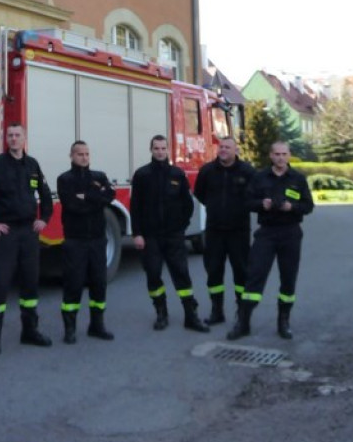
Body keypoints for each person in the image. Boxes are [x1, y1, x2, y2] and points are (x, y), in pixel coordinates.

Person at [0, 124, 54, 355]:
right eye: (10, 136)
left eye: (18, 135)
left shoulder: (33, 165)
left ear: (25, 138)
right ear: (6, 139)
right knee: (0, 283)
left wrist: (44, 218)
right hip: (6, 233)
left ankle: (30, 331)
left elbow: (46, 196)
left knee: (30, 282)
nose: (14, 139)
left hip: (28, 233)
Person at [227, 140, 314, 340]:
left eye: (284, 154)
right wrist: (261, 204)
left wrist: (292, 207)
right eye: (277, 154)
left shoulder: (298, 179)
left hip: (290, 233)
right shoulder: (259, 177)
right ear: (271, 156)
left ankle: (283, 321)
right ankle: (243, 322)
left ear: (289, 155)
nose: (280, 158)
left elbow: (308, 206)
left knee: (288, 279)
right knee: (254, 276)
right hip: (266, 233)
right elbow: (247, 202)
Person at [130, 135, 210, 333]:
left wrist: (181, 227)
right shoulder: (142, 175)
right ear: (151, 150)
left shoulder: (177, 174)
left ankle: (191, 316)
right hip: (151, 236)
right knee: (153, 274)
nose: (160, 151)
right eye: (156, 148)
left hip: (173, 235)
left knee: (182, 275)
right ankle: (161, 313)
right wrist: (137, 234)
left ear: (168, 150)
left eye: (163, 148)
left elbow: (188, 204)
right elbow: (136, 207)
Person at [56, 140, 117, 343]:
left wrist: (88, 197)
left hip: (98, 241)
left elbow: (110, 195)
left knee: (99, 284)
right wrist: (94, 198)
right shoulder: (64, 179)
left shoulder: (99, 177)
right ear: (71, 156)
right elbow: (72, 204)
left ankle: (96, 326)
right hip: (75, 241)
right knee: (73, 284)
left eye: (87, 154)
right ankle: (70, 328)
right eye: (80, 154)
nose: (84, 157)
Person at [194, 136, 256, 324]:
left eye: (228, 147)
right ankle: (217, 311)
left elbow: (256, 197)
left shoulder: (247, 172)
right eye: (221, 147)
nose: (223, 150)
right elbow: (200, 194)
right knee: (213, 271)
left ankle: (242, 313)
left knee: (241, 273)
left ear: (236, 150)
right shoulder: (207, 171)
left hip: (239, 231)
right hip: (214, 231)